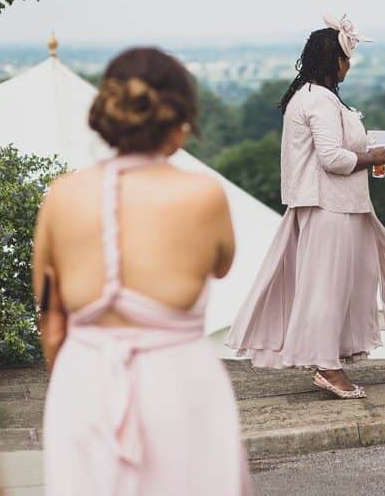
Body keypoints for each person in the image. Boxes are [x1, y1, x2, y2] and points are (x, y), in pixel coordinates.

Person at [34, 47, 252, 495]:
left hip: (85, 384)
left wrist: (76, 385)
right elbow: (223, 263)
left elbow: (51, 321)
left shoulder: (62, 196)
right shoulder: (202, 195)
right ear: (179, 122)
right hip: (178, 383)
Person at [226, 15, 385, 399]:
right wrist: (371, 157)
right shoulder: (319, 100)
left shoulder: (308, 96)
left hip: (336, 204)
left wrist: (368, 153)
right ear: (332, 60)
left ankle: (331, 355)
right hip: (329, 206)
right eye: (346, 58)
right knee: (327, 287)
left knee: (338, 285)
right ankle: (326, 367)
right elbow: (333, 159)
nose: (349, 66)